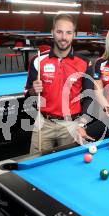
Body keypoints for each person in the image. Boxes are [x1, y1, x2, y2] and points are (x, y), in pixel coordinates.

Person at [25, 14, 94, 153]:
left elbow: (88, 97)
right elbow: (28, 94)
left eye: (68, 32)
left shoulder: (84, 63)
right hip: (43, 123)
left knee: (69, 168)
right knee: (36, 164)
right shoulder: (38, 60)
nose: (64, 37)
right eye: (59, 31)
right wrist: (33, 90)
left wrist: (81, 123)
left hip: (71, 124)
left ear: (74, 34)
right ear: (52, 32)